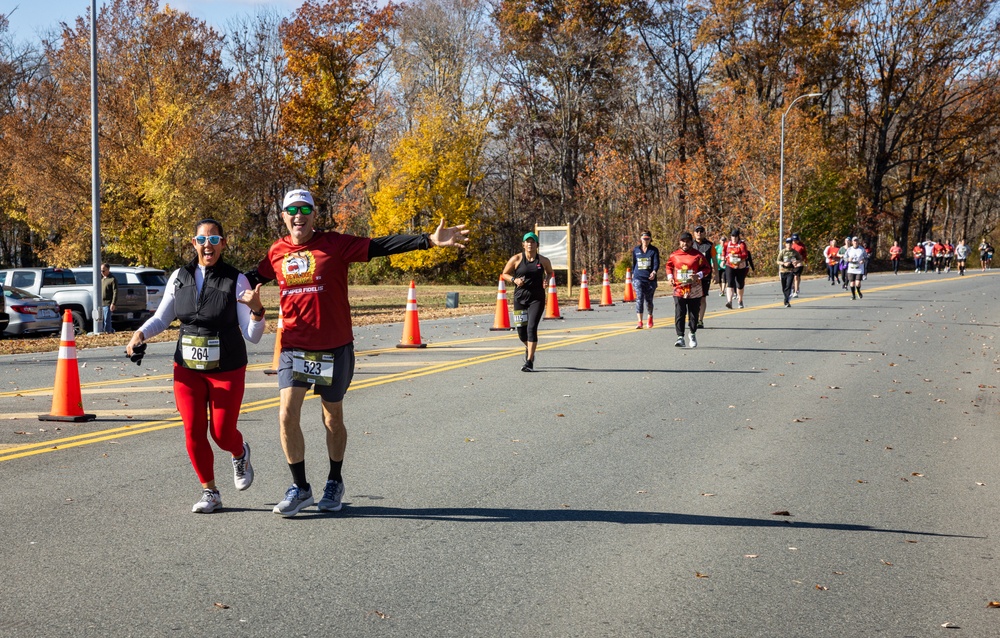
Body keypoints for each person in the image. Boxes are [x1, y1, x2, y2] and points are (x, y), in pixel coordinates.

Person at [247, 189, 467, 517]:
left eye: (304, 208)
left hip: (334, 349)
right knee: (285, 415)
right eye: (291, 209)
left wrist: (427, 240)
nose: (298, 215)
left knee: (332, 416)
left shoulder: (334, 244)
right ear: (283, 216)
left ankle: (334, 481)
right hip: (295, 348)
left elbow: (379, 246)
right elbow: (246, 280)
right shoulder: (277, 252)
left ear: (314, 214)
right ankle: (301, 487)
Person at [126, 219, 265, 513]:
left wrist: (256, 310)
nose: (207, 246)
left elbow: (252, 336)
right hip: (187, 369)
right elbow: (163, 319)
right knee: (192, 429)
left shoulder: (236, 280)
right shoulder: (180, 276)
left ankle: (239, 453)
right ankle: (210, 491)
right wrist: (140, 333)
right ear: (193, 244)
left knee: (222, 433)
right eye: (202, 240)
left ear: (223, 245)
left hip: (226, 368)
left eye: (214, 240)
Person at [502, 232, 555, 370]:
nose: (530, 244)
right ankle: (529, 347)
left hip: (537, 298)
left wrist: (547, 279)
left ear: (537, 245)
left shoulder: (543, 260)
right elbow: (505, 274)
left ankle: (529, 361)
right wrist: (514, 280)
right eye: (527, 241)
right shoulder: (516, 259)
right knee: (521, 332)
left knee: (532, 328)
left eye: (533, 242)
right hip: (520, 298)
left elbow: (550, 272)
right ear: (523, 244)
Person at [664, 231, 711, 348]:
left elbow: (707, 268)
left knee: (693, 314)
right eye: (683, 241)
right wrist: (670, 277)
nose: (685, 243)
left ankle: (692, 333)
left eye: (688, 241)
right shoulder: (674, 255)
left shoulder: (698, 255)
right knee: (680, 312)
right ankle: (680, 337)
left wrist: (698, 275)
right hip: (679, 288)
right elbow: (669, 266)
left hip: (694, 289)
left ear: (691, 242)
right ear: (680, 242)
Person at [627, 230, 660, 329]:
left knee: (648, 300)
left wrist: (654, 272)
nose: (645, 241)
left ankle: (650, 317)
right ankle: (639, 321)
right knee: (639, 298)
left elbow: (656, 263)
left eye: (647, 239)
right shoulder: (636, 250)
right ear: (640, 239)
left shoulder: (653, 250)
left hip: (650, 279)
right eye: (644, 239)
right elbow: (634, 263)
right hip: (638, 278)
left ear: (650, 239)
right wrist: (633, 274)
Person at [721, 228, 753, 309]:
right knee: (730, 283)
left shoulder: (741, 244)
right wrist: (723, 259)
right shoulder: (727, 244)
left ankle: (740, 300)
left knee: (740, 284)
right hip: (730, 265)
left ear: (738, 237)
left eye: (735, 236)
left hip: (740, 266)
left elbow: (745, 254)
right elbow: (724, 252)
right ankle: (729, 301)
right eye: (732, 236)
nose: (734, 238)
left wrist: (737, 257)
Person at [692, 225, 716, 328]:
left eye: (701, 231)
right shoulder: (690, 244)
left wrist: (717, 275)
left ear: (704, 233)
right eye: (697, 231)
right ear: (694, 233)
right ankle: (693, 318)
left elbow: (714, 261)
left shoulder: (710, 245)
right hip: (692, 276)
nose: (699, 233)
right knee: (693, 298)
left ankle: (700, 320)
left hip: (705, 275)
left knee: (702, 298)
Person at [777, 238, 802, 307]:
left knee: (789, 286)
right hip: (783, 271)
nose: (789, 245)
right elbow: (778, 261)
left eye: (790, 243)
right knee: (784, 287)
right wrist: (783, 263)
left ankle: (787, 300)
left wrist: (796, 262)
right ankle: (786, 298)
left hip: (791, 271)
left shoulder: (794, 252)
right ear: (785, 244)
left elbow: (800, 259)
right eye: (788, 243)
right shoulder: (783, 252)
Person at [101, 263, 117, 334]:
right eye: (101, 271)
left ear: (108, 270)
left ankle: (108, 332)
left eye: (103, 271)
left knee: (107, 320)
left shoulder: (112, 279)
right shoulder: (101, 280)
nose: (102, 272)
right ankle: (110, 330)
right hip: (100, 303)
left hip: (108, 303)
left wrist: (113, 303)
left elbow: (115, 292)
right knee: (102, 320)